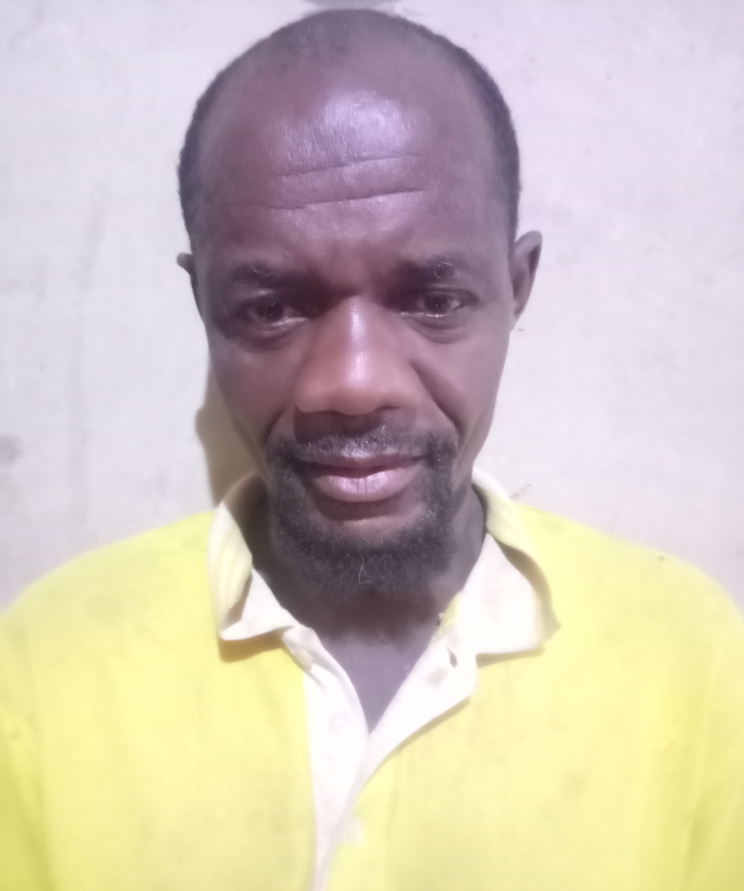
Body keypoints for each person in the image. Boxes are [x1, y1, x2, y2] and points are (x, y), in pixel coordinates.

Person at [1, 9, 742, 891]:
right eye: (272, 308)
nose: (352, 384)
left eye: (434, 299)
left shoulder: (694, 661)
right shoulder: (45, 662)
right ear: (203, 303)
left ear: (516, 286)